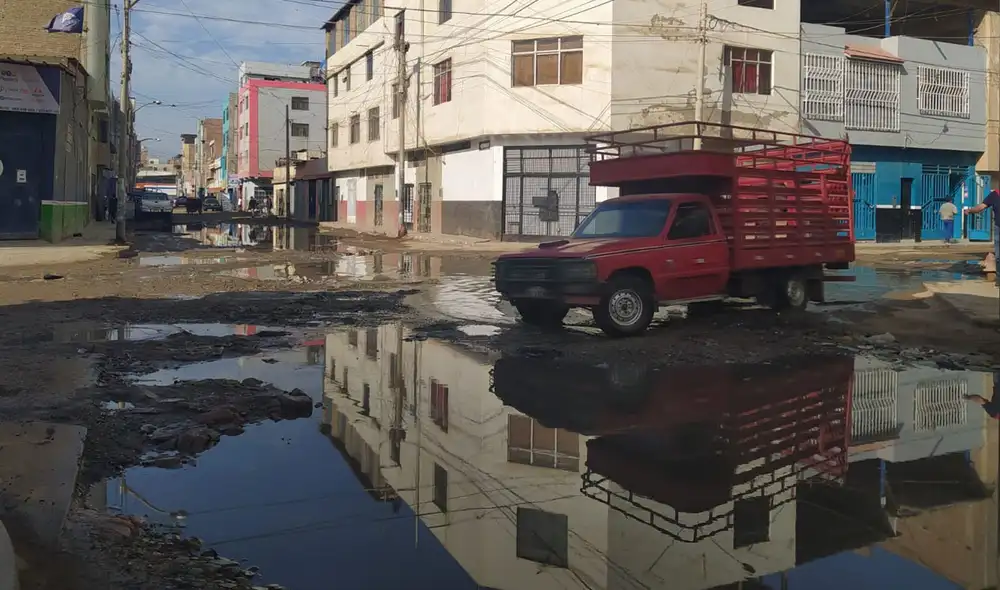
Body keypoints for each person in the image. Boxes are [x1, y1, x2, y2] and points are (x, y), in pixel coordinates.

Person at [964, 177, 1000, 282]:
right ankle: (998, 278)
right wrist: (970, 210)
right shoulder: (995, 194)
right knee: (998, 255)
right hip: (999, 227)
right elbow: (981, 207)